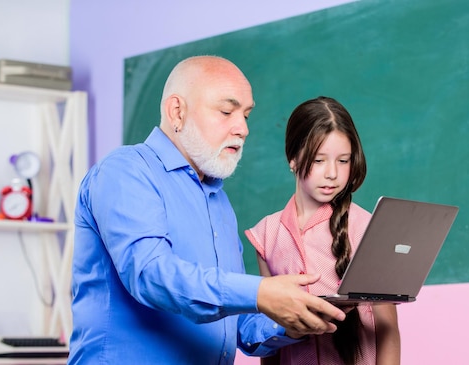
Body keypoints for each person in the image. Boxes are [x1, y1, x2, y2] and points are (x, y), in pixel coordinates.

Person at [67, 56, 348, 365]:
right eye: (226, 111)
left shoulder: (218, 201)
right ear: (177, 111)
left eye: (246, 115)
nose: (242, 129)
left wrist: (294, 323)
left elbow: (238, 324)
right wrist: (260, 293)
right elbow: (150, 274)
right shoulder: (124, 171)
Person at [245, 96, 401, 365]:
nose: (332, 173)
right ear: (293, 159)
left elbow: (388, 328)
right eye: (319, 160)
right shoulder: (265, 235)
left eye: (343, 161)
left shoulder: (366, 227)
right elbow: (269, 338)